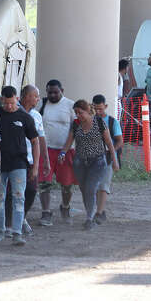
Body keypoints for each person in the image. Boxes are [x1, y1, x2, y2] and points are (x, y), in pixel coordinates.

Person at [57, 100, 119, 230]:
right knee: (84, 190)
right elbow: (69, 141)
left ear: (88, 111)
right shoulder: (75, 124)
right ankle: (89, 214)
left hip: (97, 161)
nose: (78, 115)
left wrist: (114, 160)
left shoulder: (99, 123)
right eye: (76, 113)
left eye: (80, 112)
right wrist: (63, 153)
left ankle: (89, 218)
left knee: (91, 188)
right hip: (80, 161)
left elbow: (109, 143)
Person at [0, 86, 39, 246]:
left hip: (19, 163)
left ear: (17, 99)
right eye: (6, 103)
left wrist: (35, 165)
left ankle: (17, 232)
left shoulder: (25, 117)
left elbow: (35, 141)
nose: (9, 106)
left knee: (19, 197)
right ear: (2, 100)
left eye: (12, 103)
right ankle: (0, 230)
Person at [37, 80, 76, 226]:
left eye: (56, 92)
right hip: (46, 150)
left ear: (62, 91)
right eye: (49, 92)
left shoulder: (71, 105)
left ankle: (65, 207)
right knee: (44, 182)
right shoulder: (41, 104)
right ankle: (46, 212)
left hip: (65, 151)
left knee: (66, 184)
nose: (52, 95)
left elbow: (74, 129)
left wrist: (65, 150)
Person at [15, 85, 49, 233]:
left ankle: (22, 217)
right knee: (15, 192)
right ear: (27, 96)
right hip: (15, 159)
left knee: (31, 190)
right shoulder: (13, 110)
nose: (38, 99)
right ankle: (11, 223)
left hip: (31, 159)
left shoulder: (37, 116)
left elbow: (41, 139)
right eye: (36, 96)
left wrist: (45, 160)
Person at [92, 94, 122, 223]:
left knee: (103, 185)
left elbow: (119, 141)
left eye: (100, 109)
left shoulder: (112, 122)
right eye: (95, 109)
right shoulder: (89, 120)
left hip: (108, 158)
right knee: (95, 186)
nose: (98, 111)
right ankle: (100, 210)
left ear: (106, 106)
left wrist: (111, 151)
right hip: (92, 159)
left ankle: (99, 213)